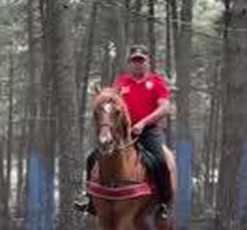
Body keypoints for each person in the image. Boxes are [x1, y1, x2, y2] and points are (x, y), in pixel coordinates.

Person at [74, 44, 173, 220]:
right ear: (129, 63)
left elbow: (165, 108)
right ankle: (90, 200)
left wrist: (142, 123)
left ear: (147, 62)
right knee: (92, 158)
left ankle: (163, 203)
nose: (138, 64)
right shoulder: (121, 83)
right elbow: (110, 105)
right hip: (123, 132)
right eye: (134, 60)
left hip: (149, 131)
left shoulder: (157, 83)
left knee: (160, 160)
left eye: (141, 60)